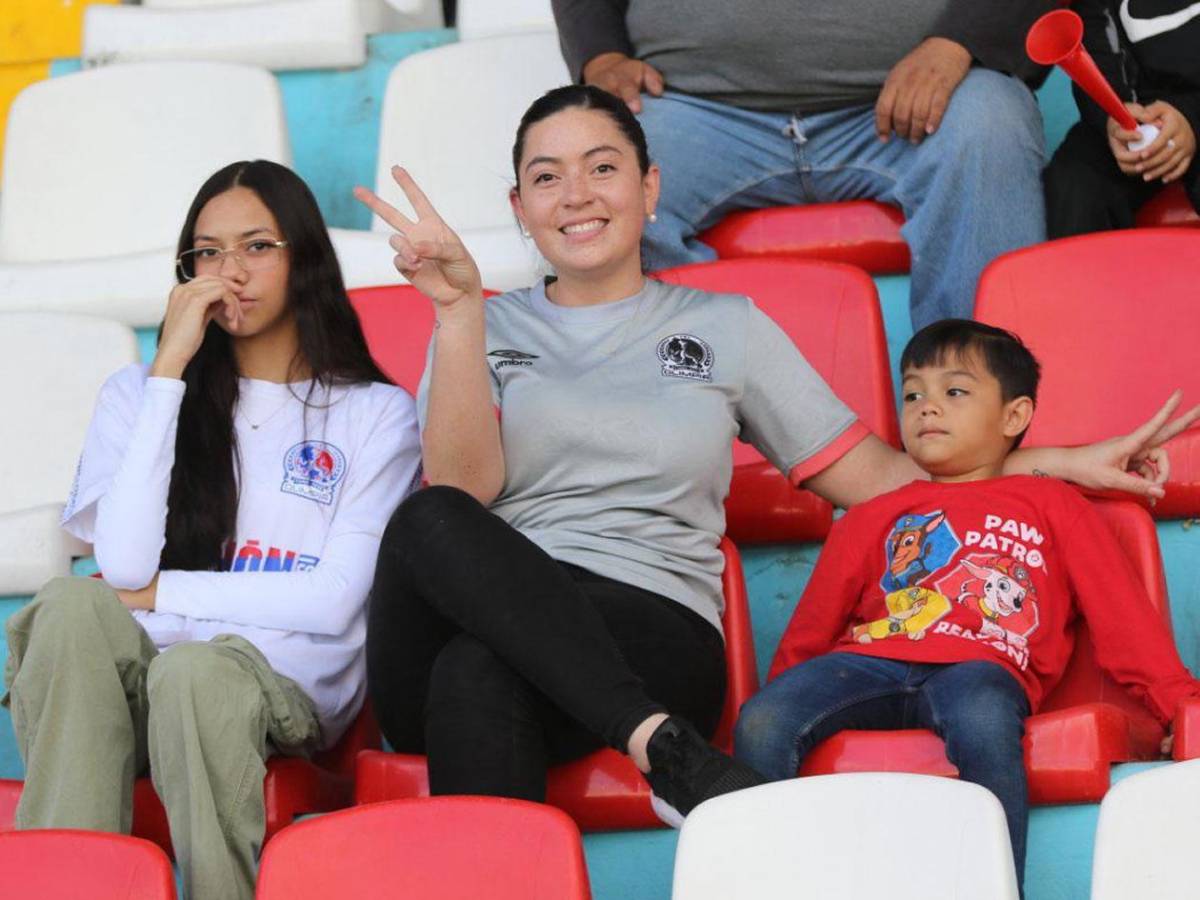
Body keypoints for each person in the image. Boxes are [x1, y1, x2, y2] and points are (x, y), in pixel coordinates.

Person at [355, 84, 1193, 827]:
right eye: (547, 177)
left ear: (650, 190)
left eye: (602, 167)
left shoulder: (729, 330)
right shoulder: (482, 327)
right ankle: (662, 750)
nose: (576, 194)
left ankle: (641, 739)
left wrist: (1064, 463)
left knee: (477, 672)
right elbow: (466, 494)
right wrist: (460, 312)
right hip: (500, 618)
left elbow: (882, 483)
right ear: (519, 204)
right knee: (430, 519)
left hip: (648, 627)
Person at [2, 160, 422, 900]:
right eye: (208, 252)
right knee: (70, 606)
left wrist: (164, 595)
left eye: (258, 246)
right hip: (141, 675)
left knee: (194, 672)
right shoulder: (136, 394)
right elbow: (125, 566)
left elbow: (329, 603)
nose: (230, 271)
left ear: (304, 257)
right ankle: (69, 887)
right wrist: (168, 368)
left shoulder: (372, 414)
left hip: (279, 682)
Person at [734, 319, 1200, 891]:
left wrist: (1178, 703)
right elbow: (814, 625)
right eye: (912, 394)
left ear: (1014, 417)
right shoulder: (874, 513)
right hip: (871, 662)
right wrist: (787, 688)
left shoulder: (1054, 502)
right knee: (763, 718)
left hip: (981, 667)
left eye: (954, 392)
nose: (928, 407)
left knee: (982, 717)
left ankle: (996, 886)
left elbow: (1120, 614)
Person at [550, 0, 1053, 330]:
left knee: (991, 121)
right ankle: (676, 417)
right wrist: (600, 55)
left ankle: (975, 421)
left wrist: (957, 43)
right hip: (696, 108)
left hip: (907, 103)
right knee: (594, 168)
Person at [1044, 0, 1198, 237]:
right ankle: (1081, 273)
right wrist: (1114, 117)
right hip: (1137, 117)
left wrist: (1191, 117)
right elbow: (1093, 44)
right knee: (1075, 181)